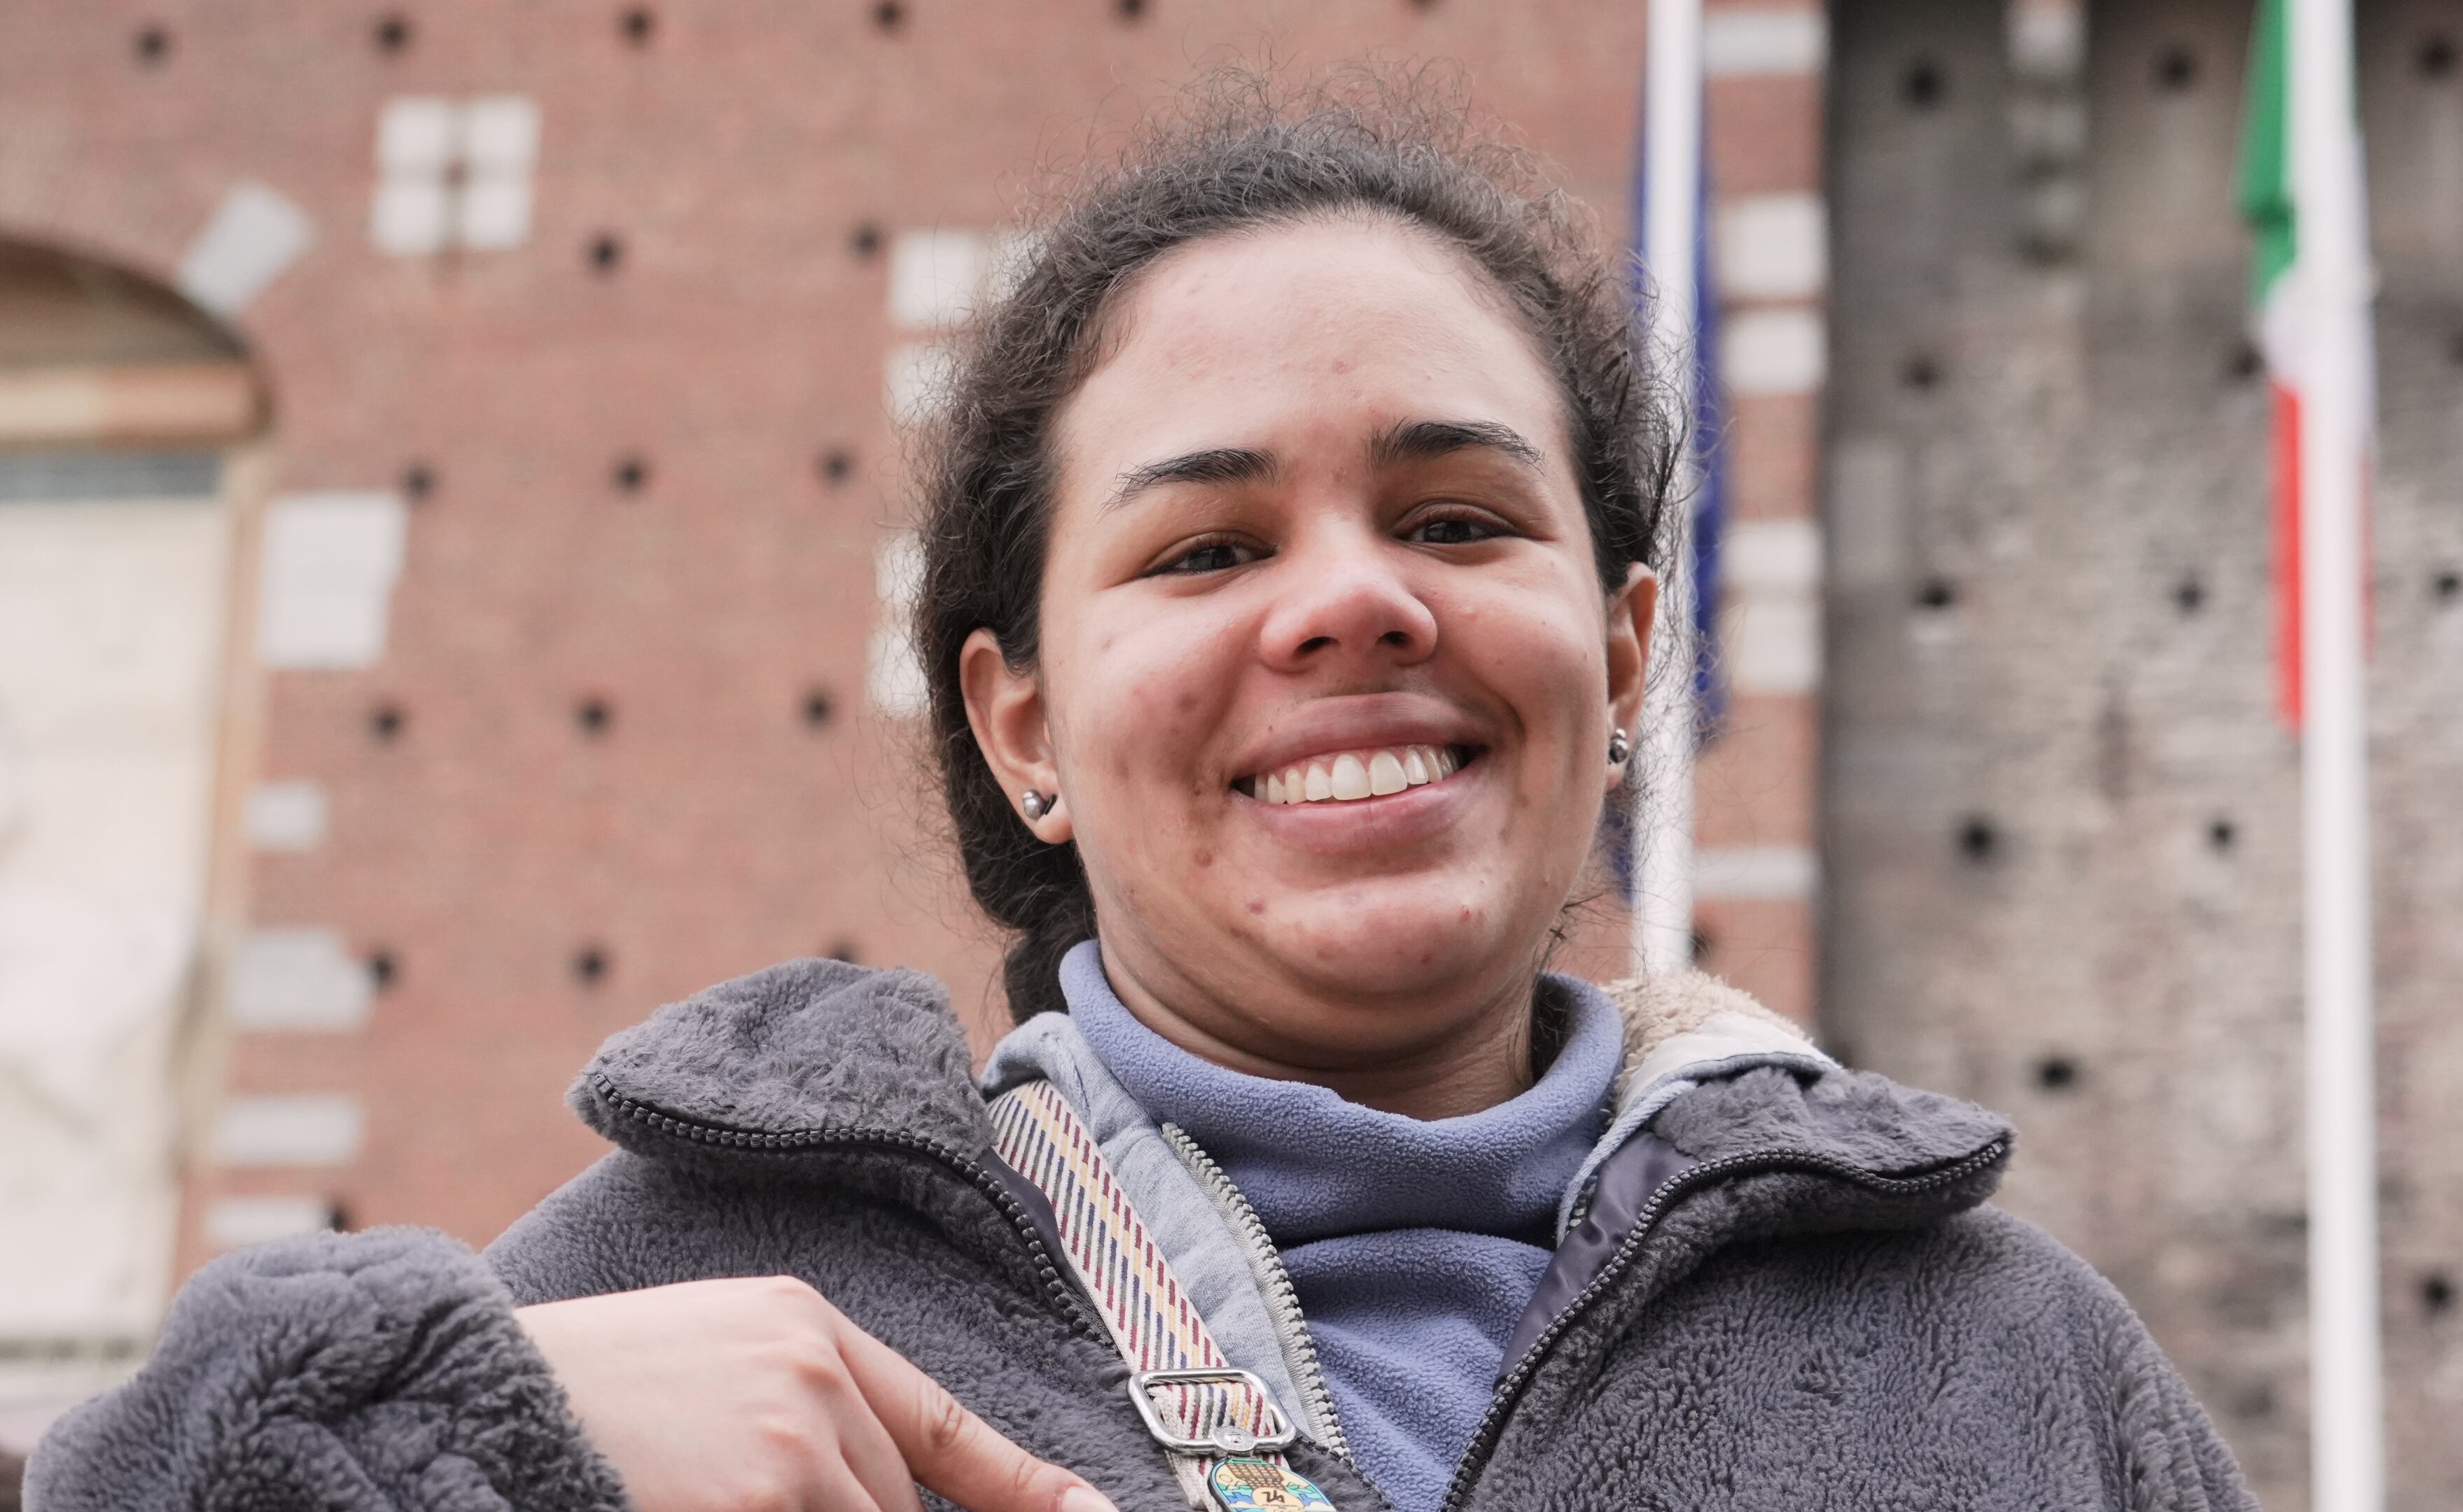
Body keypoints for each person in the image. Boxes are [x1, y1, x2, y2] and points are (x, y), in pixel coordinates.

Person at [28, 83, 2256, 1512]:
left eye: (1461, 518)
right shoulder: (682, 1304)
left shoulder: (2006, 1362)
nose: (1354, 601)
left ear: (1628, 652)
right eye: (1205, 548)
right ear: (1021, 729)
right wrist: (414, 1455)